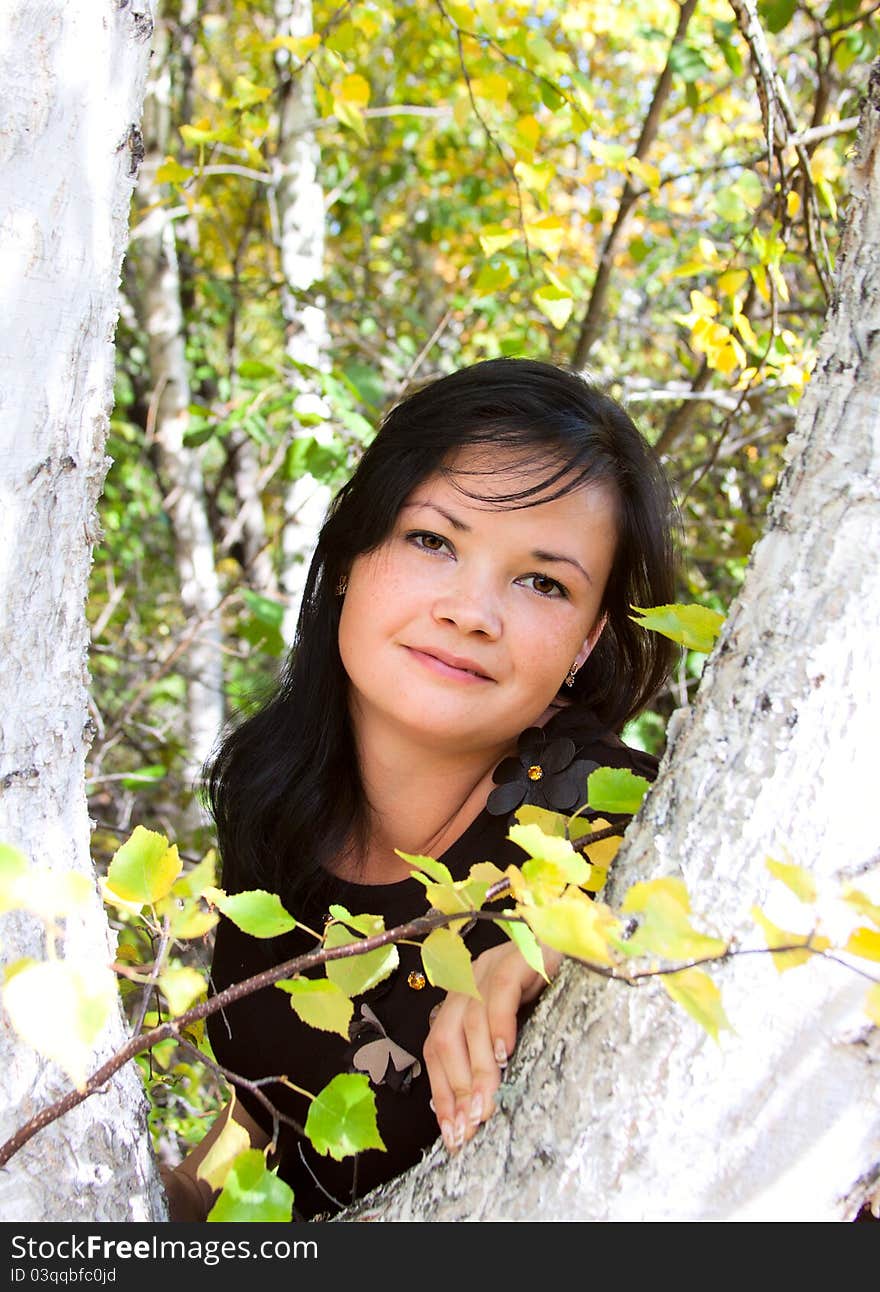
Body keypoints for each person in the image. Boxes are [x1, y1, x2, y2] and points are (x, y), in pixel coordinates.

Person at [160, 356, 679, 1222]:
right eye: (433, 540)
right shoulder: (273, 791)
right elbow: (261, 1113)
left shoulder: (613, 812)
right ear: (347, 559)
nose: (472, 611)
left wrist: (563, 941)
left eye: (543, 582)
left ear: (586, 644)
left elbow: (724, 924)